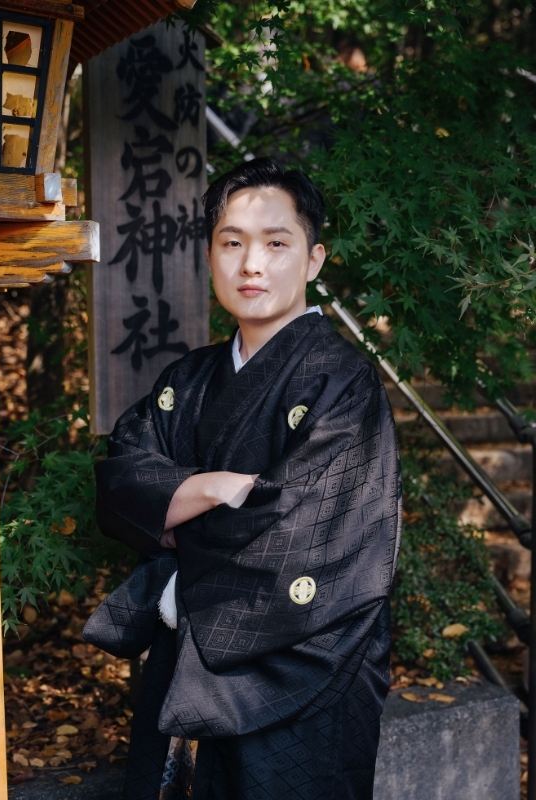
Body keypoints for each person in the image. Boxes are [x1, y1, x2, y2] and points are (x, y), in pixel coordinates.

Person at [91, 158, 400, 800]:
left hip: (311, 658)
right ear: (211, 255)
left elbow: (304, 529)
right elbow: (123, 474)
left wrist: (178, 517)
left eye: (275, 244)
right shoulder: (190, 379)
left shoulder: (343, 381)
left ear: (314, 259)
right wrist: (209, 489)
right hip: (189, 660)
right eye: (231, 243)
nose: (251, 265)